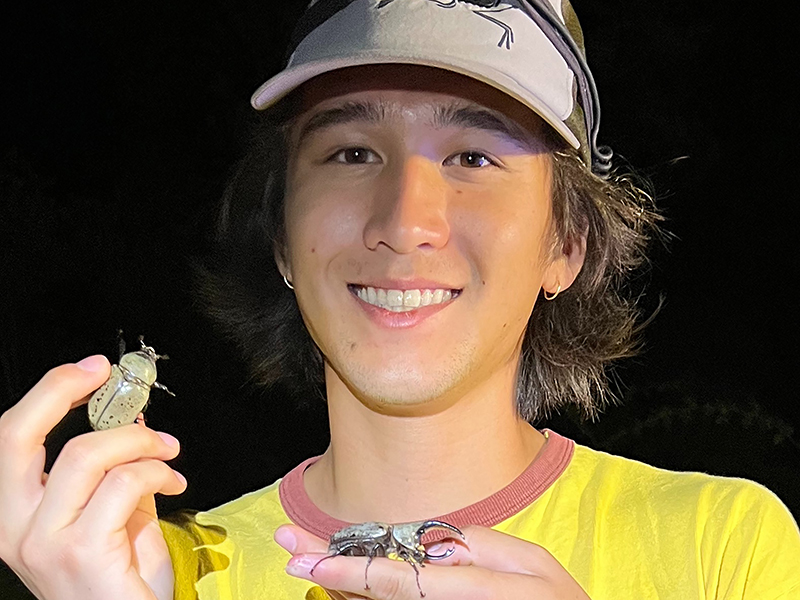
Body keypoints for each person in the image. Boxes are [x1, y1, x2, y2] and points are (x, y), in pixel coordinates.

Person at [1, 0, 799, 599]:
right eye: (352, 151)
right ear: (282, 237)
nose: (405, 221)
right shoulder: (149, 571)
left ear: (567, 246)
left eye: (475, 157)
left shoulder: (723, 548)